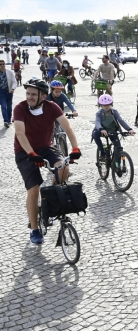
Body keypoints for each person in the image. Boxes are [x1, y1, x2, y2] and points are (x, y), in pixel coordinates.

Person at [14, 78, 81, 244]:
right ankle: (34, 229)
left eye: (33, 94)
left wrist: (75, 148)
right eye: (28, 93)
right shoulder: (20, 108)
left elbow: (67, 127)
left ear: (43, 97)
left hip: (45, 148)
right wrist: (31, 153)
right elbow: (20, 134)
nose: (29, 97)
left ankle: (50, 197)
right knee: (33, 189)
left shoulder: (51, 107)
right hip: (24, 151)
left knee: (64, 168)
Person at [93, 94, 135, 163]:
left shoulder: (114, 112)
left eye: (108, 104)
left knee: (118, 148)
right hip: (101, 130)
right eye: (104, 105)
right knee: (95, 134)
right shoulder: (99, 113)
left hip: (112, 131)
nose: (106, 106)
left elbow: (120, 120)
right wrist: (101, 129)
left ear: (111, 104)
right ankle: (103, 152)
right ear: (101, 105)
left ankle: (117, 166)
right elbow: (97, 122)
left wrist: (129, 129)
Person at [0, 59, 18, 128]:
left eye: (3, 64)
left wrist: (13, 88)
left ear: (5, 64)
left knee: (9, 107)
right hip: (1, 92)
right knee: (3, 106)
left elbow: (14, 81)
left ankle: (9, 119)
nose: (2, 65)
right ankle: (6, 121)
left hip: (9, 91)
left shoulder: (9, 72)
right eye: (0, 64)